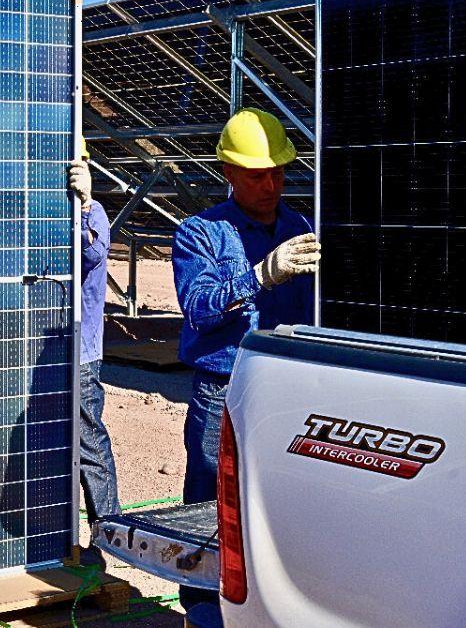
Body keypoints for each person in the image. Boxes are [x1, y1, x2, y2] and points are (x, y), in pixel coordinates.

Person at [171, 107, 320, 609]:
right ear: (229, 173)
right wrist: (259, 275)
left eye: (278, 172)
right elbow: (197, 307)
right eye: (257, 174)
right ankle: (202, 608)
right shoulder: (200, 233)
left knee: (279, 501)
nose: (271, 184)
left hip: (287, 387)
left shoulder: (300, 225)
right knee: (212, 506)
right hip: (224, 390)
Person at [68, 144, 121, 552]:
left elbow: (92, 253)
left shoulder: (93, 213)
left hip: (80, 354)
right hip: (42, 350)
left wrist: (84, 204)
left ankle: (108, 530)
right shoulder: (33, 212)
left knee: (88, 440)